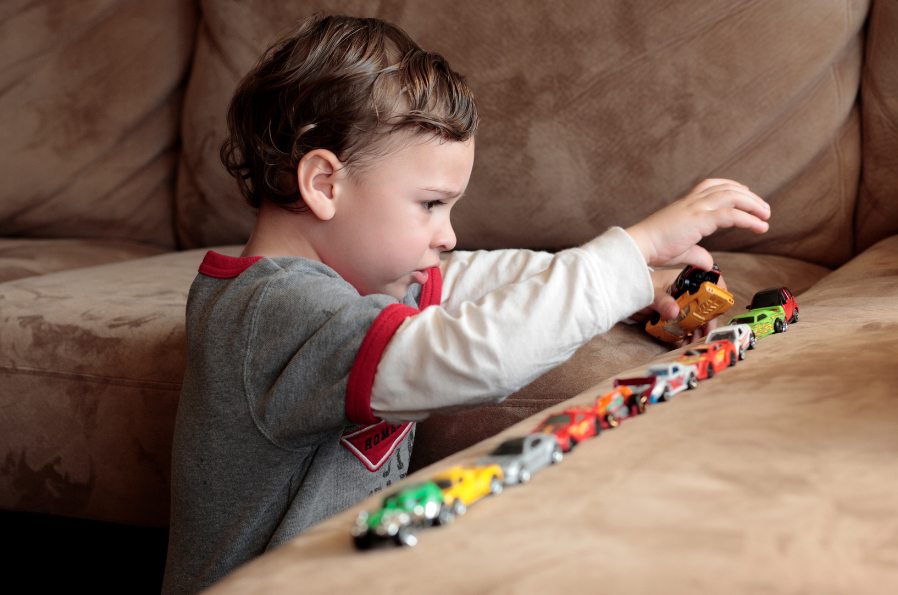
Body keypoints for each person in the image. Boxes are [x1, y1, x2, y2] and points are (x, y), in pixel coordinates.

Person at [161, 13, 770, 595]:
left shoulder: (359, 286)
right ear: (324, 184)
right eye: (430, 204)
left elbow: (468, 278)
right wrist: (630, 250)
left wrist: (636, 284)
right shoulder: (272, 312)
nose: (447, 234)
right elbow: (472, 355)